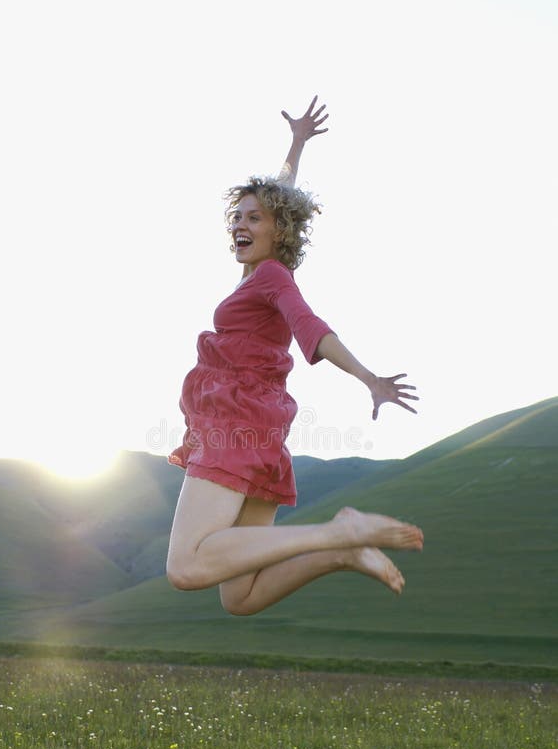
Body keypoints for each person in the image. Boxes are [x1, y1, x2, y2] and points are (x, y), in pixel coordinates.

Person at [167, 97, 423, 616]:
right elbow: (280, 195)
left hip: (235, 423)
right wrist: (296, 144)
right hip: (260, 430)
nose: (239, 224)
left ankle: (337, 531)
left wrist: (368, 377)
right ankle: (342, 551)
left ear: (278, 232)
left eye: (253, 218)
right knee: (242, 595)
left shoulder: (273, 277)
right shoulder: (258, 276)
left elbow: (310, 326)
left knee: (186, 566)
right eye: (236, 216)